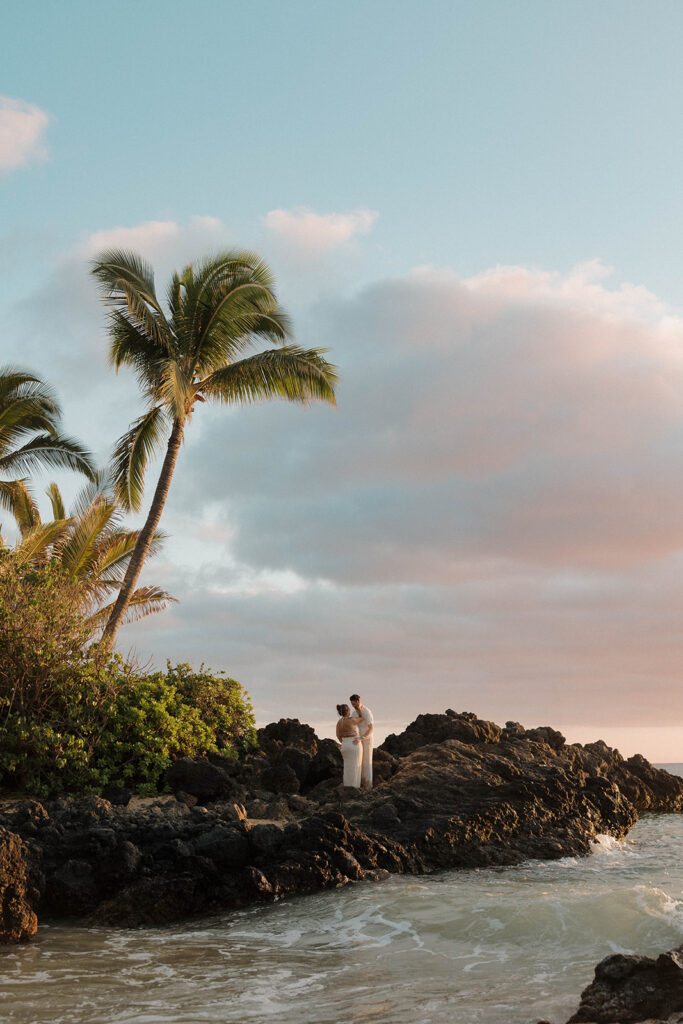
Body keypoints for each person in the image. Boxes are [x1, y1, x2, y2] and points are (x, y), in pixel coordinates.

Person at [349, 693, 374, 788]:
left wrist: (362, 737)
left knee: (366, 761)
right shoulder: (354, 713)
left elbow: (371, 729)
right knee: (358, 760)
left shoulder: (367, 712)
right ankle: (359, 783)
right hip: (358, 740)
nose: (353, 706)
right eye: (352, 705)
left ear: (358, 701)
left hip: (366, 739)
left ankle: (368, 785)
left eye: (354, 704)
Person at [335, 703, 362, 787]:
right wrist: (359, 708)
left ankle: (347, 786)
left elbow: (338, 735)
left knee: (347, 768)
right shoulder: (352, 720)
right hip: (353, 744)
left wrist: (344, 742)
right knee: (355, 766)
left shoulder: (339, 723)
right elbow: (361, 718)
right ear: (347, 711)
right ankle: (354, 787)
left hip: (345, 745)